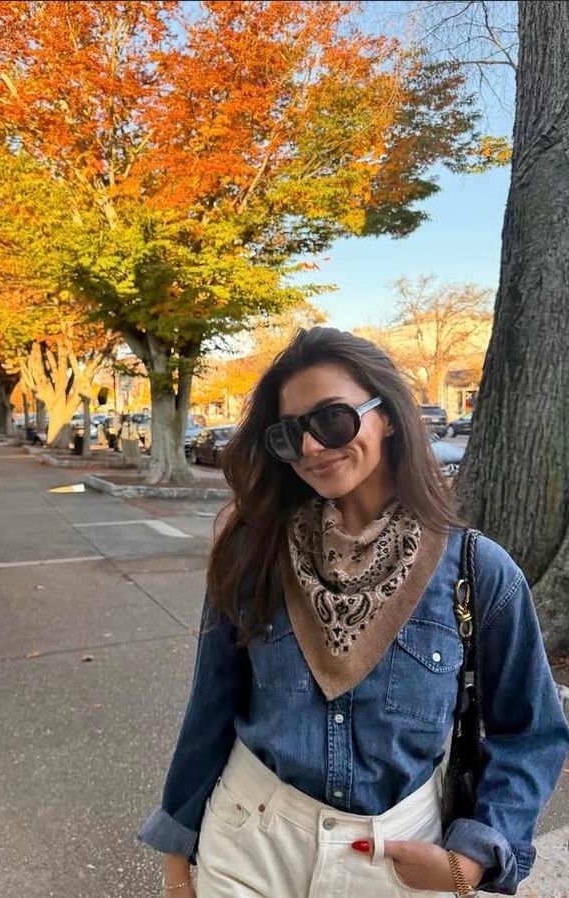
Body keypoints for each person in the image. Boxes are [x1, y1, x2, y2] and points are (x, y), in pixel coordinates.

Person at [139, 327, 569, 898]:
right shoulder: (255, 553)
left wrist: (473, 857)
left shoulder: (477, 569)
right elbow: (209, 710)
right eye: (290, 436)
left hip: (396, 857)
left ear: (387, 415)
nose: (313, 448)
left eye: (332, 419)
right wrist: (176, 862)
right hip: (249, 839)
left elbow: (530, 730)